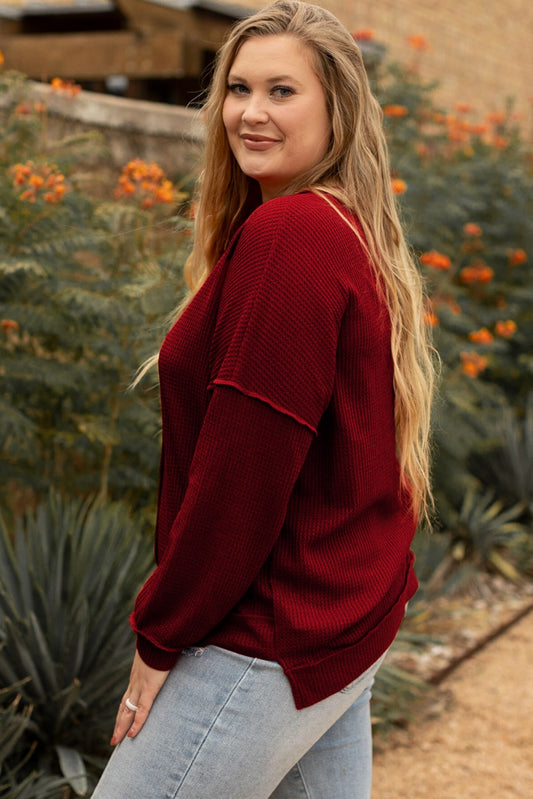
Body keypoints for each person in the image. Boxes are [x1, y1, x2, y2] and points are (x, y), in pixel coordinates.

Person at [92, 1, 434, 797]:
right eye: (237, 89)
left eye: (282, 91)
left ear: (336, 109)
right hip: (338, 615)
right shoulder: (339, 229)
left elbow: (240, 481)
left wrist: (158, 637)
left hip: (265, 635)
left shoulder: (293, 240)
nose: (249, 112)